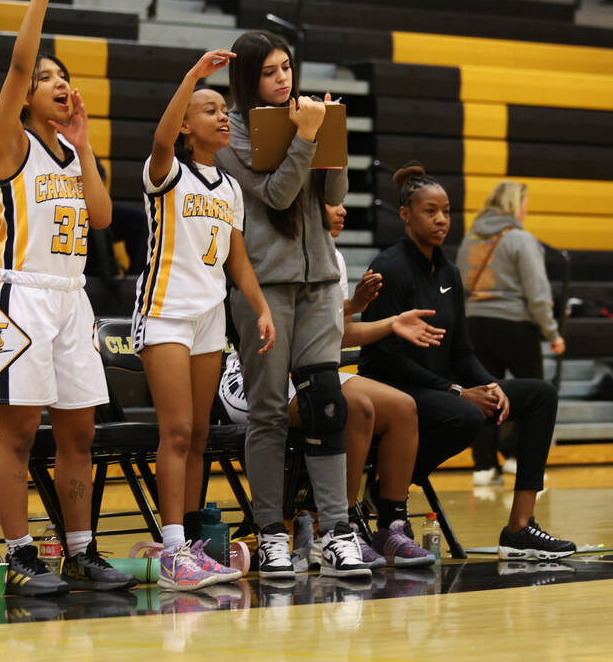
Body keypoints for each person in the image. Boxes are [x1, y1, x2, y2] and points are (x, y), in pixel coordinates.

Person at [0, 0, 135, 596]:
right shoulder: (7, 139)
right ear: (27, 94)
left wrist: (89, 144)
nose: (58, 82)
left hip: (70, 300)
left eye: (63, 76)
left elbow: (101, 218)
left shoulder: (72, 151)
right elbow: (18, 63)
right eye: (48, 78)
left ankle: (79, 550)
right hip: (15, 298)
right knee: (17, 433)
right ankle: (18, 555)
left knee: (81, 430)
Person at [359, 162, 576, 560]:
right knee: (466, 414)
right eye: (430, 211)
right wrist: (457, 391)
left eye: (446, 211)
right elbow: (384, 357)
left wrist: (488, 384)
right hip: (395, 390)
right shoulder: (388, 267)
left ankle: (520, 527)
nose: (441, 220)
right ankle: (386, 485)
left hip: (441, 388)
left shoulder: (449, 272)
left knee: (540, 395)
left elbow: (462, 351)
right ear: (405, 214)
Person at [213, 29, 369, 579]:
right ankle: (272, 532)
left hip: (320, 279)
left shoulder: (302, 118)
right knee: (270, 414)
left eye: (288, 69)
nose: (285, 80)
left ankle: (336, 532)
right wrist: (305, 139)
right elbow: (276, 194)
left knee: (327, 402)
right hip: (264, 288)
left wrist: (332, 146)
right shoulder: (229, 133)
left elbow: (331, 197)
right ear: (248, 79)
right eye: (271, 72)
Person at [218, 202, 440, 569]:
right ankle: (339, 527)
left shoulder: (331, 259)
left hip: (308, 368)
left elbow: (334, 334)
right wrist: (353, 308)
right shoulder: (276, 253)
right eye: (328, 203)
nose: (341, 211)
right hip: (251, 374)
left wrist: (386, 320)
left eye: (341, 203)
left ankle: (391, 526)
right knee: (353, 407)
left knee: (403, 408)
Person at [135, 48, 276, 591]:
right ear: (187, 124)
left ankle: (191, 543)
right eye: (209, 109)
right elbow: (159, 139)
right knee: (174, 432)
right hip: (165, 312)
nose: (222, 116)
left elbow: (237, 257)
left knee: (197, 436)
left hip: (210, 319)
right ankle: (172, 550)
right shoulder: (166, 172)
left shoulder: (232, 189)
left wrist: (260, 308)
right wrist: (193, 75)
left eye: (225, 109)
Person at [456, 181, 566, 486]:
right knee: (531, 395)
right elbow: (538, 293)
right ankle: (517, 460)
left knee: (483, 394)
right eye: (525, 202)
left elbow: (459, 287)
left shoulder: (469, 240)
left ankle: (483, 466)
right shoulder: (520, 239)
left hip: (474, 324)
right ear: (515, 204)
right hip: (516, 325)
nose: (526, 209)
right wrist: (552, 332)